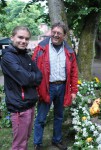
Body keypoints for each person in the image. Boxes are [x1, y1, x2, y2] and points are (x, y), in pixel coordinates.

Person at [32, 22, 78, 150]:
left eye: (59, 33)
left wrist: (73, 90)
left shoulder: (69, 51)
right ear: (51, 32)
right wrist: (35, 88)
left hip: (62, 87)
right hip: (46, 87)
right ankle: (37, 143)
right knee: (41, 117)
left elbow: (74, 72)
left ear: (64, 36)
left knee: (59, 116)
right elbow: (34, 70)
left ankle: (56, 140)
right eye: (54, 32)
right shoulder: (40, 48)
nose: (56, 35)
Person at [1, 26, 42, 150]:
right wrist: (31, 77)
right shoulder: (8, 58)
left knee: (25, 138)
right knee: (19, 144)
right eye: (20, 37)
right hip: (19, 106)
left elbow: (39, 75)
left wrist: (31, 77)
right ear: (12, 37)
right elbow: (25, 79)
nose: (23, 41)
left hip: (30, 103)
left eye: (26, 38)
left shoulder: (25, 55)